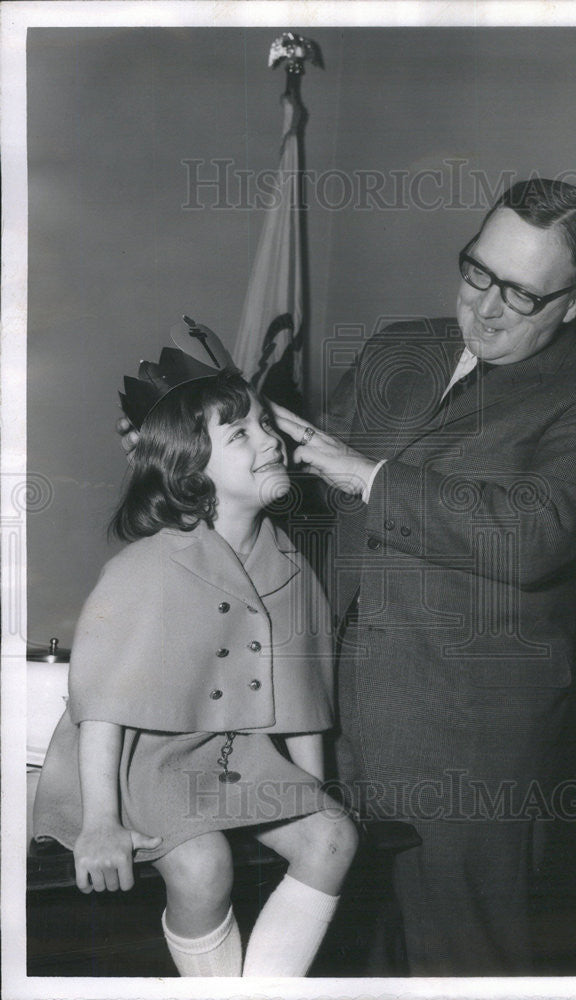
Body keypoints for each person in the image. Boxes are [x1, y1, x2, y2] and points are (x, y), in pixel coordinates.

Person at [268, 178, 576, 975]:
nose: (486, 308)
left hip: (465, 740)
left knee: (462, 959)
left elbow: (536, 533)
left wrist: (369, 477)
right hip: (326, 713)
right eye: (477, 272)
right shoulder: (396, 348)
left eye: (521, 294)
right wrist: (200, 458)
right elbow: (310, 495)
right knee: (336, 952)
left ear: (575, 303)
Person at [34, 331, 358, 978]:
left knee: (332, 837)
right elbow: (100, 706)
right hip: (141, 762)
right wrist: (102, 821)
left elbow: (302, 698)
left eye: (266, 424)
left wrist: (311, 787)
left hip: (239, 759)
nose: (271, 440)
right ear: (191, 471)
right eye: (241, 435)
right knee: (203, 863)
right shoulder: (144, 568)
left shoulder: (289, 566)